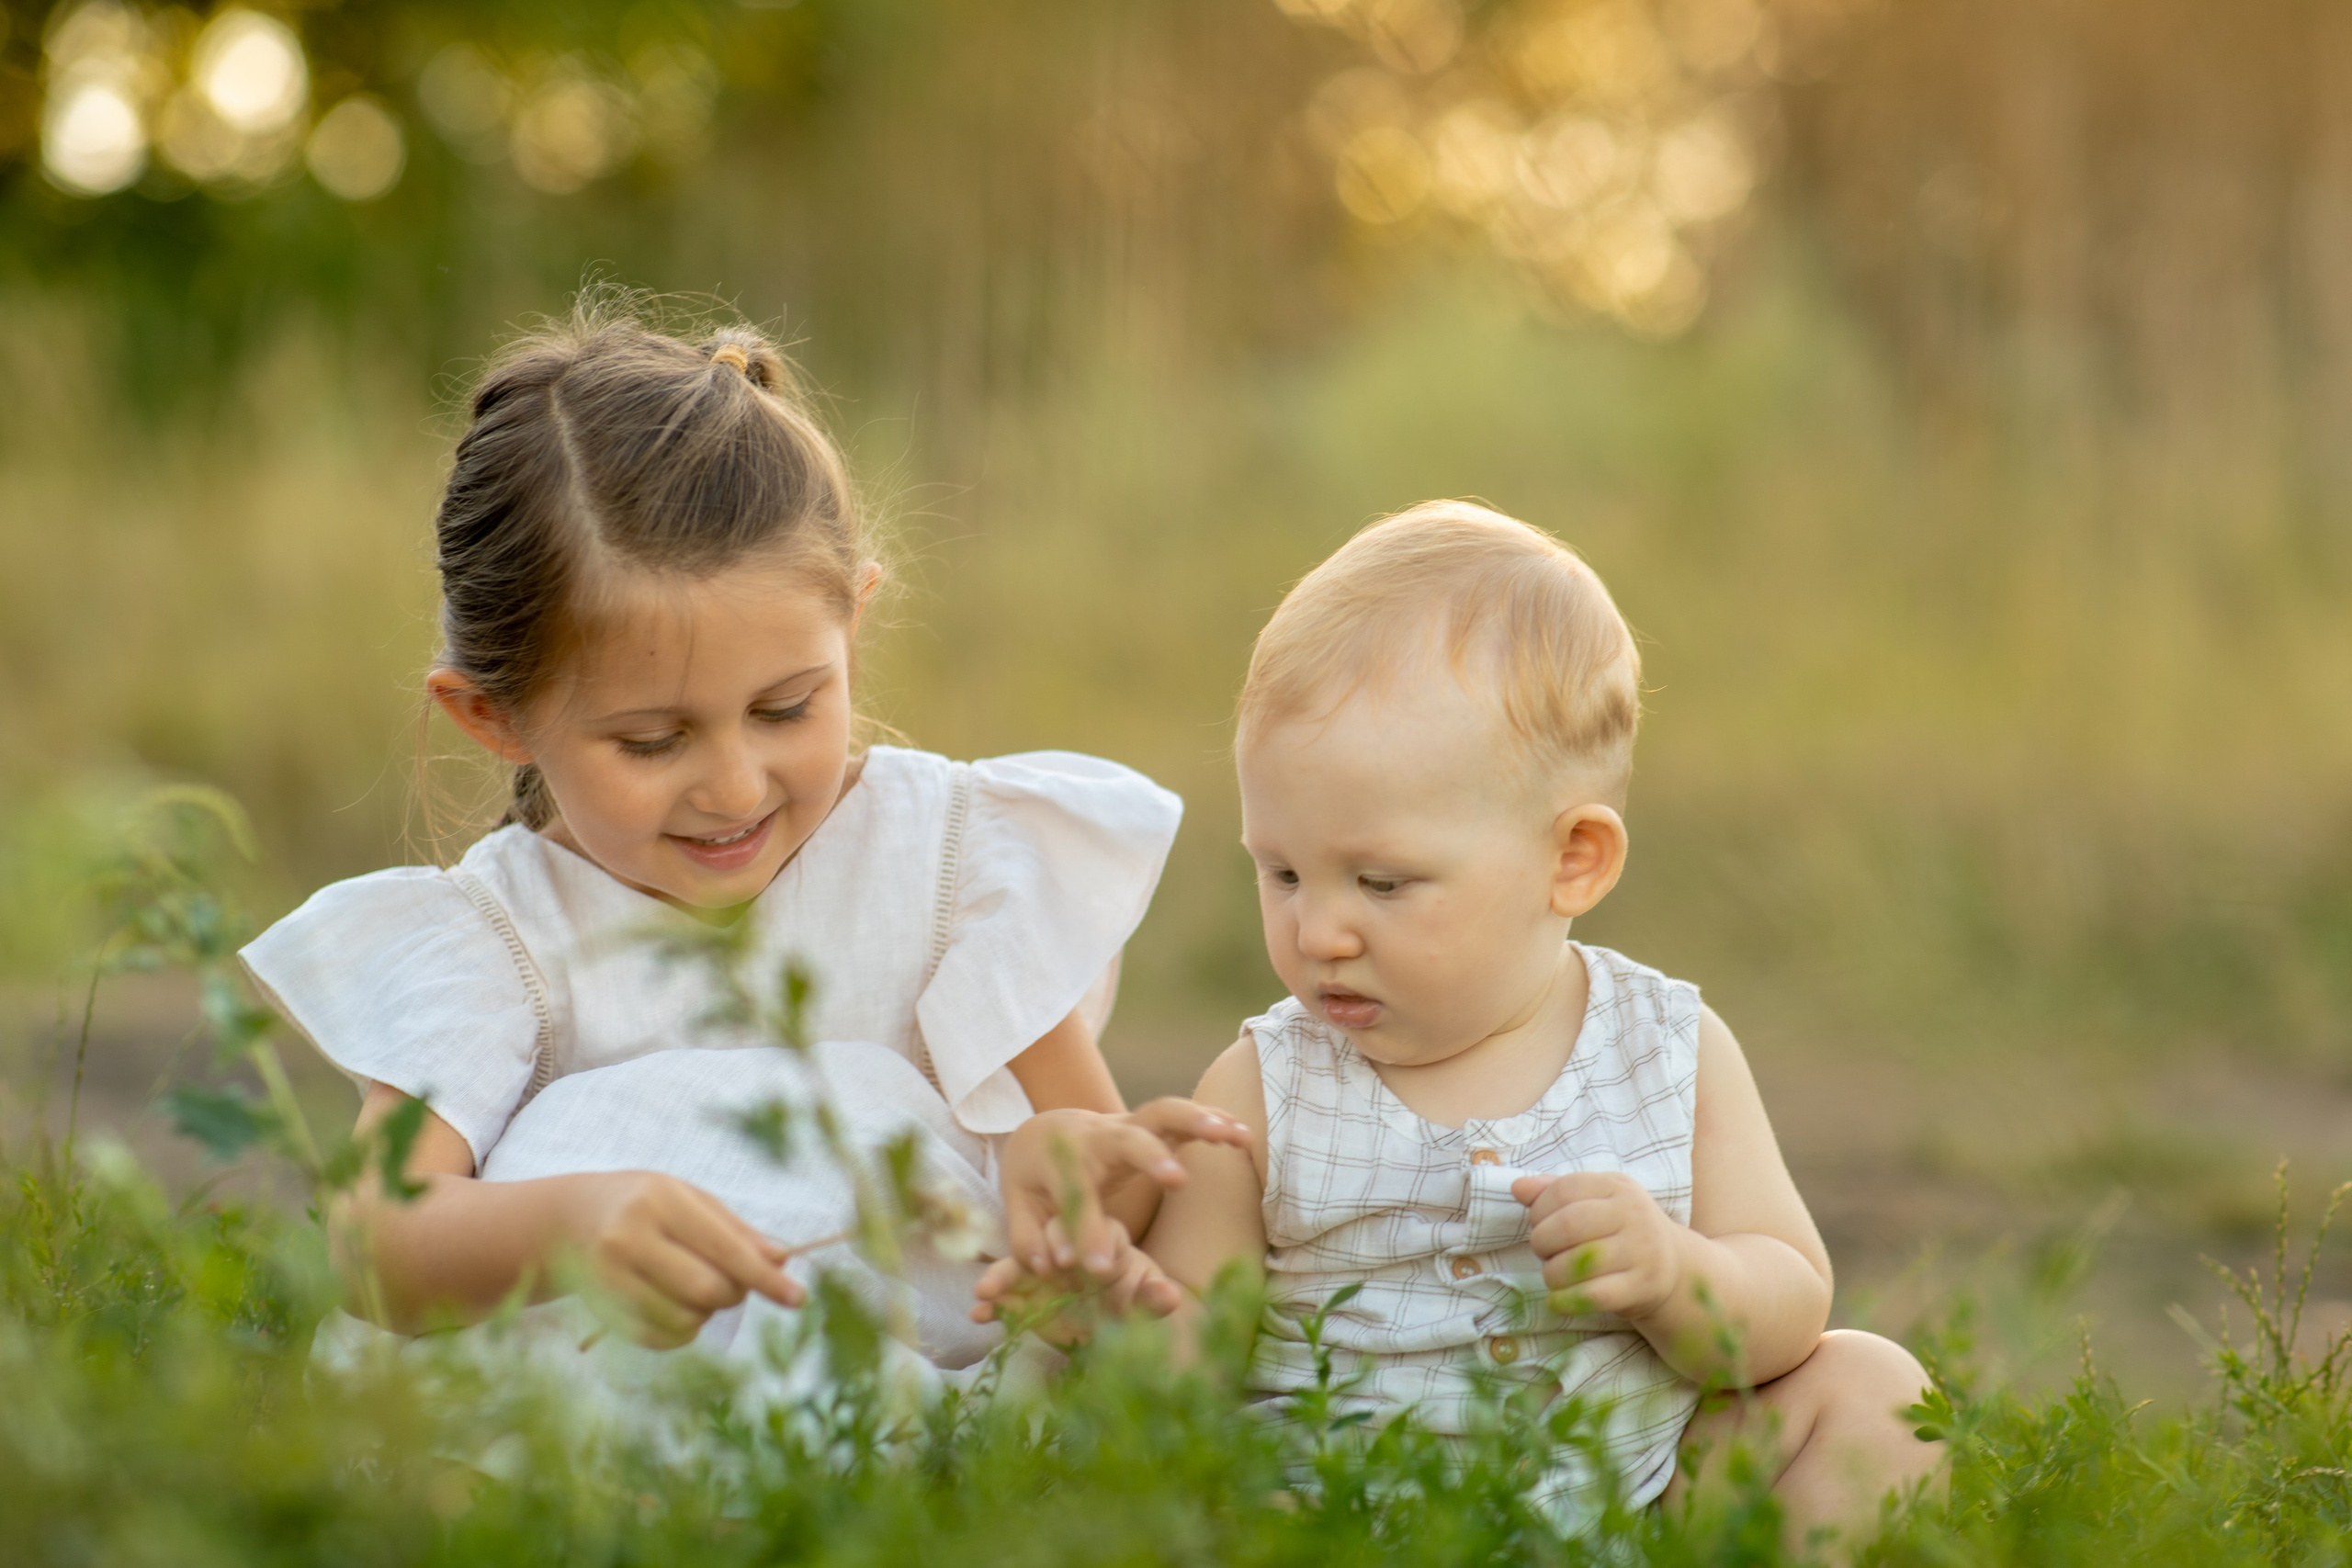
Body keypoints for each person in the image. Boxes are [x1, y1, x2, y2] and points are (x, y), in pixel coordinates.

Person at [239, 303, 1246, 1374]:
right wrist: (565, 1224)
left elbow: (1104, 1191)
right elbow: (369, 1242)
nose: (732, 787)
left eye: (784, 710)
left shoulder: (952, 866)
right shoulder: (504, 943)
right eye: (650, 740)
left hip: (907, 1415)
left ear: (851, 628)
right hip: (599, 1440)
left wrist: (1079, 1179)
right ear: (495, 718)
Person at [978, 502, 1945, 1548]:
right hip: (1336, 1517)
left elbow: (1788, 1297)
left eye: (1382, 882)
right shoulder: (1262, 1086)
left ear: (1571, 859)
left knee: (1871, 1389)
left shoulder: (1669, 1046)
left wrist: (1677, 1273)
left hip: (1635, 1501)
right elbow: (1191, 1365)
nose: (1321, 931)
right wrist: (1100, 1303)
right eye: (1283, 872)